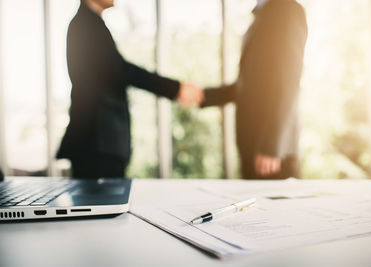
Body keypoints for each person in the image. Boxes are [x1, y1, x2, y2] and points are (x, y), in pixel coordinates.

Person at [56, 0, 202, 179]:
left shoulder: (89, 23)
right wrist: (176, 88)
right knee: (103, 205)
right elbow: (121, 71)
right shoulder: (86, 25)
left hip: (100, 141)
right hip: (98, 143)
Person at [201, 0, 307, 179]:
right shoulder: (262, 13)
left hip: (272, 154)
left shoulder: (287, 8)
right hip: (253, 145)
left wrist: (271, 146)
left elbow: (289, 79)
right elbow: (249, 86)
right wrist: (204, 96)